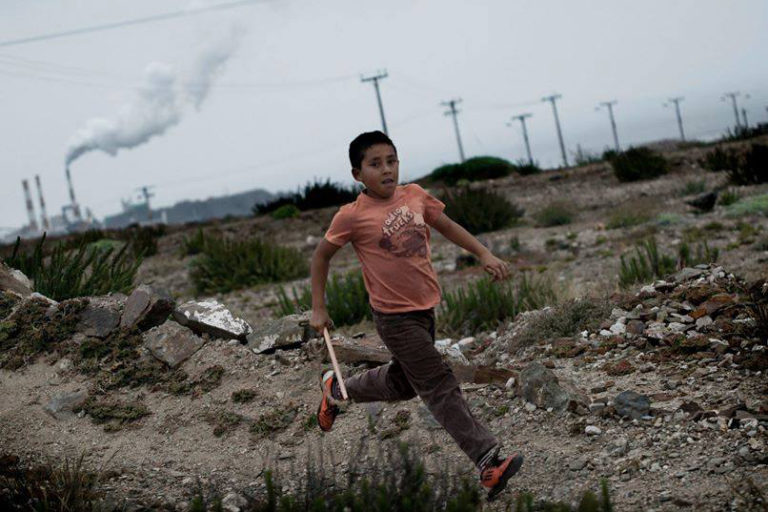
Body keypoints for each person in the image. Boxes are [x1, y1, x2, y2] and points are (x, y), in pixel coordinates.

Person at [309, 130, 523, 501]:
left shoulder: (415, 195)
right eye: (375, 164)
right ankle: (488, 461)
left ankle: (337, 389)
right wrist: (319, 307)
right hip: (393, 318)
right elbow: (321, 257)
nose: (387, 170)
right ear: (357, 174)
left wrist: (484, 254)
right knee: (439, 382)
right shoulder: (352, 216)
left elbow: (449, 227)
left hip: (425, 309)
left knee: (406, 383)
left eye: (391, 161)